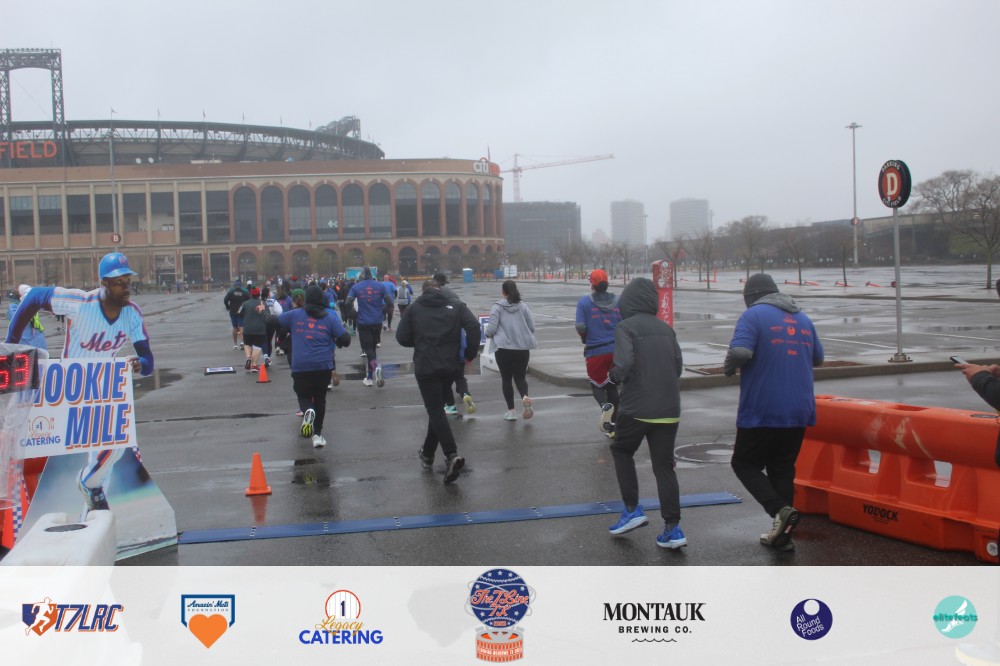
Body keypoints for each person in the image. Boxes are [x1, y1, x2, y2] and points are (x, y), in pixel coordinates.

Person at [5, 251, 154, 513]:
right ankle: (86, 488)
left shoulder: (132, 314)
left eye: (128, 281)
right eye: (119, 282)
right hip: (70, 388)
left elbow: (148, 360)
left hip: (101, 388)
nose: (126, 287)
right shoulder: (81, 302)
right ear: (104, 283)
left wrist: (141, 363)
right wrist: (12, 343)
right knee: (102, 450)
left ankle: (90, 495)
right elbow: (36, 297)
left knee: (115, 450)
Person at [724, 273, 824, 552]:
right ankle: (783, 536)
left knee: (744, 463)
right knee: (782, 468)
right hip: (799, 409)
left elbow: (741, 352)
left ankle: (779, 510)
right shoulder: (803, 318)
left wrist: (728, 367)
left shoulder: (753, 316)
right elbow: (818, 358)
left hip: (764, 407)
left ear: (750, 296)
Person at [605, 277, 686, 549]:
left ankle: (632, 510)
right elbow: (678, 367)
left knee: (621, 450)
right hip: (669, 408)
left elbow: (624, 364)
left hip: (637, 407)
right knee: (664, 466)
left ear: (628, 302)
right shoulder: (666, 330)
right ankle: (673, 529)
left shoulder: (626, 327)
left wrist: (613, 375)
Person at [396, 280, 481, 484]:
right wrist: (470, 353)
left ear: (423, 291)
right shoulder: (456, 306)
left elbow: (401, 337)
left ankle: (451, 454)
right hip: (450, 365)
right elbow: (474, 327)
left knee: (435, 410)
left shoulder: (414, 308)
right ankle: (427, 454)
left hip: (426, 365)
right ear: (440, 290)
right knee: (437, 411)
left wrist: (419, 340)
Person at [261, 284, 350, 448]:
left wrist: (262, 311)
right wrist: (336, 340)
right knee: (320, 399)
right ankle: (317, 435)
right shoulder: (329, 317)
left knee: (303, 395)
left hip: (301, 365)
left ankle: (308, 410)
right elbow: (346, 339)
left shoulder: (294, 315)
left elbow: (272, 321)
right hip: (323, 365)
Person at [575, 269, 622, 437]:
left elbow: (580, 326)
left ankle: (604, 406)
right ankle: (613, 428)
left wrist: (585, 338)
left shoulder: (584, 303)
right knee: (612, 386)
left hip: (596, 351)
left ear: (592, 284)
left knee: (597, 385)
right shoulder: (619, 300)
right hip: (616, 350)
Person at [484, 280, 537, 421]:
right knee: (520, 378)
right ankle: (525, 397)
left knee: (506, 379)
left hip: (503, 349)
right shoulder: (523, 306)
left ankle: (511, 411)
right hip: (522, 348)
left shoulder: (497, 307)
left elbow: (491, 328)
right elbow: (532, 327)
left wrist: (488, 334)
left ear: (503, 292)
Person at [346, 268, 393, 387]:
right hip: (377, 321)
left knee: (368, 349)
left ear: (361, 276)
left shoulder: (356, 287)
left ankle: (376, 368)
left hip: (363, 321)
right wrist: (382, 311)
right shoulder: (380, 286)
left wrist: (354, 314)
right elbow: (390, 302)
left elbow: (347, 303)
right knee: (372, 348)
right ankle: (369, 377)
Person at [7, 285, 48, 352]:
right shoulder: (13, 306)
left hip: (36, 334)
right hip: (24, 336)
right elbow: (17, 317)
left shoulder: (31, 303)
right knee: (27, 354)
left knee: (40, 354)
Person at [238, 286, 268, 371]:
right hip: (260, 328)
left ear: (251, 294)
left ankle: (248, 358)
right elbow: (268, 314)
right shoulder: (263, 303)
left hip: (247, 328)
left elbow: (239, 313)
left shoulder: (244, 303)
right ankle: (254, 365)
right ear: (259, 294)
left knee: (247, 344)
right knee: (257, 346)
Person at [224, 279, 249, 350]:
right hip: (241, 311)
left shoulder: (231, 292)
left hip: (233, 311)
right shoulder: (244, 292)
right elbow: (249, 300)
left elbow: (225, 300)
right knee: (241, 326)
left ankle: (235, 344)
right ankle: (242, 341)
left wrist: (228, 307)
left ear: (235, 285)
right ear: (240, 285)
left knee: (235, 327)